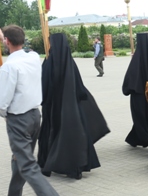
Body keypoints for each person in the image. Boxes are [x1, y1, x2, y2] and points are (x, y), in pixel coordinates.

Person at [0, 25, 70, 196]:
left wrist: (3, 114)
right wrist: (3, 37)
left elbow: (1, 102)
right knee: (20, 160)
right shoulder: (33, 57)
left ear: (7, 41)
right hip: (35, 116)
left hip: (18, 119)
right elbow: (22, 49)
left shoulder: (9, 67)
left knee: (27, 166)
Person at [38, 33, 110, 179]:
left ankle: (49, 162)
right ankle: (75, 167)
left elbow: (43, 88)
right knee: (74, 136)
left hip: (52, 108)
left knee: (51, 134)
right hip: (71, 110)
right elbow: (80, 88)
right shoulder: (71, 64)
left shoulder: (48, 62)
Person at [121, 32, 148, 148]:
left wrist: (127, 90)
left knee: (140, 117)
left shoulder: (136, 59)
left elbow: (130, 79)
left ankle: (147, 138)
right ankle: (136, 137)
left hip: (139, 96)